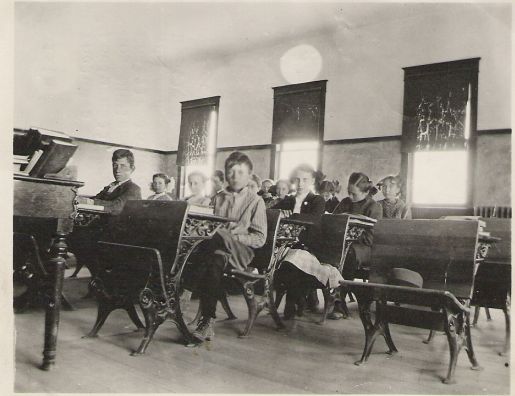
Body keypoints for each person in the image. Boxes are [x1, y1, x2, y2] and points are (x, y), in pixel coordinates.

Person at [187, 151, 267, 343]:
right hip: (217, 251)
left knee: (215, 240)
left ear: (249, 175)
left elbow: (260, 238)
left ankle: (185, 292)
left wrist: (232, 236)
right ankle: (207, 321)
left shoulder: (256, 201)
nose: (235, 176)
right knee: (214, 259)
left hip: (241, 251)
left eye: (240, 172)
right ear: (225, 174)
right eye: (231, 172)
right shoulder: (218, 198)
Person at [70, 149, 142, 278]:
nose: (117, 169)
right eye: (115, 165)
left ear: (132, 168)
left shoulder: (133, 189)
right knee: (73, 234)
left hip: (118, 234)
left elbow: (116, 207)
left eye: (122, 166)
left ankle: (99, 278)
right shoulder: (111, 186)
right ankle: (97, 277)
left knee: (79, 238)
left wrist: (89, 202)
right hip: (102, 229)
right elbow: (95, 199)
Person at [273, 164, 328, 318]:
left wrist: (290, 217)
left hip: (308, 246)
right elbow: (271, 212)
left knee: (294, 258)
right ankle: (300, 299)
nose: (300, 184)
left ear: (312, 181)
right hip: (287, 244)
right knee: (286, 257)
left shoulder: (317, 200)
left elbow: (315, 220)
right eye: (297, 180)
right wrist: (279, 213)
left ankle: (292, 301)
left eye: (305, 180)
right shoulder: (288, 200)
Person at [329, 172, 383, 319]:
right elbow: (331, 222)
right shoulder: (345, 203)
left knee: (348, 253)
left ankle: (339, 301)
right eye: (349, 192)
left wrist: (350, 235)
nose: (350, 197)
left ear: (365, 192)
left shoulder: (374, 207)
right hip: (342, 244)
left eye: (354, 194)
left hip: (364, 248)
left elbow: (370, 238)